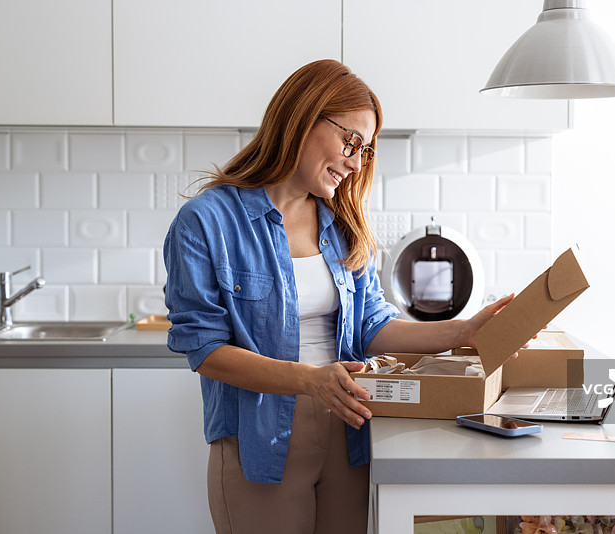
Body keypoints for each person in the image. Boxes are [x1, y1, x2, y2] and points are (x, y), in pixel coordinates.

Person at [163, 59, 515, 534]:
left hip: (350, 427)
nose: (354, 162)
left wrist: (463, 331)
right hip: (260, 438)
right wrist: (310, 380)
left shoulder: (341, 225)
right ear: (303, 118)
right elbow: (205, 350)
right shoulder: (207, 221)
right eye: (350, 142)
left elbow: (372, 327)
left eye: (364, 151)